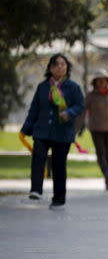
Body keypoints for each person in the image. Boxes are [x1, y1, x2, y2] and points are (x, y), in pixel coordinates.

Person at [20, 53, 84, 209]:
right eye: (56, 64)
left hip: (63, 133)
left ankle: (58, 199)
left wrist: (69, 113)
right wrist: (26, 129)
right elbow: (34, 109)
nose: (60, 67)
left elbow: (80, 106)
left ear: (67, 67)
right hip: (42, 131)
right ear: (50, 68)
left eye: (63, 64)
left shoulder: (73, 87)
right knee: (38, 158)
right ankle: (36, 190)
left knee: (58, 165)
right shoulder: (42, 87)